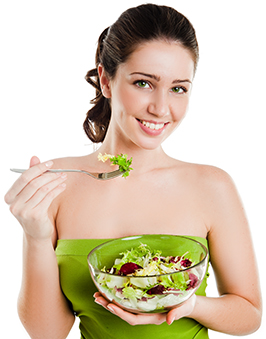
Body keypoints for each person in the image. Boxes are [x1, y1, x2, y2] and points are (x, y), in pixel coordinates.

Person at [4, 4, 262, 339]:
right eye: (143, 83)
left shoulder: (212, 186)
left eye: (178, 88)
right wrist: (35, 235)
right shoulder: (59, 185)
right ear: (106, 80)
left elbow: (250, 314)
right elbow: (47, 333)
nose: (161, 107)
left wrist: (188, 304)